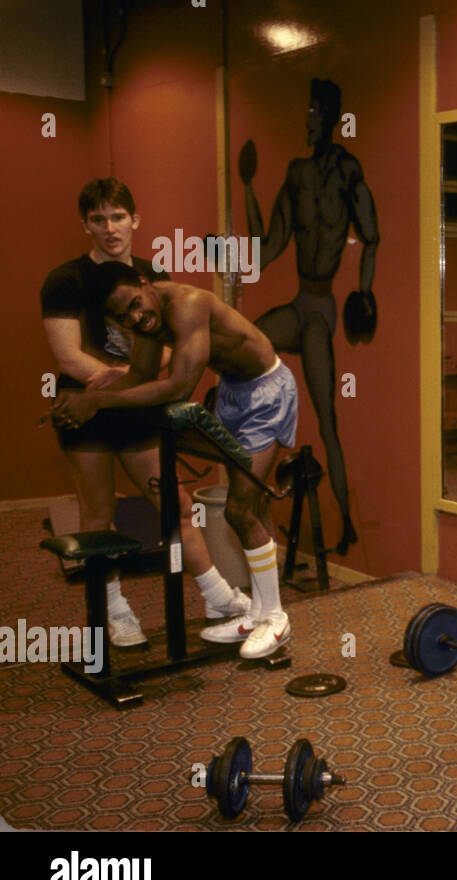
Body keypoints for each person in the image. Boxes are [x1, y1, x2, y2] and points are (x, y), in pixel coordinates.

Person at [39, 178, 248, 647]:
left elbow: (174, 351)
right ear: (85, 225)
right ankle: (115, 612)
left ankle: (217, 598)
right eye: (98, 219)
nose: (109, 227)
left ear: (134, 220)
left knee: (176, 503)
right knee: (98, 511)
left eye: (118, 217)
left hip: (132, 408)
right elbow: (69, 358)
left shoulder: (149, 274)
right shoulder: (65, 280)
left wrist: (130, 387)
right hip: (86, 410)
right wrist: (121, 382)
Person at [50, 266, 299, 660]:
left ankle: (275, 617)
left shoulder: (189, 304)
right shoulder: (150, 322)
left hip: (267, 394)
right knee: (244, 509)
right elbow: (141, 376)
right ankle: (255, 614)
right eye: (122, 316)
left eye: (135, 304)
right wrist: (84, 396)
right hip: (234, 393)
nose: (134, 317)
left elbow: (180, 385)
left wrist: (97, 401)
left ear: (146, 285)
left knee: (239, 509)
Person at [240, 77, 379, 556]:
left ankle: (346, 525)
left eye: (315, 111)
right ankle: (252, 493)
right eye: (306, 110)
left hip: (321, 310)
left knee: (327, 421)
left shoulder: (347, 171)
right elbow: (266, 249)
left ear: (331, 117)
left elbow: (373, 235)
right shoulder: (295, 174)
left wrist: (364, 291)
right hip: (297, 305)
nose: (307, 119)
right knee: (246, 342)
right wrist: (249, 190)